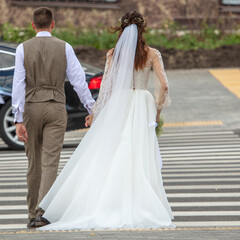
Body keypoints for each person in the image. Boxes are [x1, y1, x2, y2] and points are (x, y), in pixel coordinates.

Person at [38, 11, 175, 230]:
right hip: (141, 105)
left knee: (111, 152)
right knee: (138, 155)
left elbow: (106, 88)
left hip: (118, 105)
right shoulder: (152, 54)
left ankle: (103, 201)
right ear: (143, 31)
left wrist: (96, 113)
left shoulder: (113, 54)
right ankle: (137, 201)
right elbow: (164, 85)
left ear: (121, 30)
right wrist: (157, 111)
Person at [11, 7, 95, 229]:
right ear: (53, 24)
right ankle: (42, 212)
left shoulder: (22, 48)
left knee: (33, 163)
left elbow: (18, 84)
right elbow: (78, 80)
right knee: (50, 161)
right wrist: (91, 107)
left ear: (33, 25)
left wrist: (18, 118)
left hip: (31, 108)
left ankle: (31, 213)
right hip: (56, 107)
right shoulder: (64, 47)